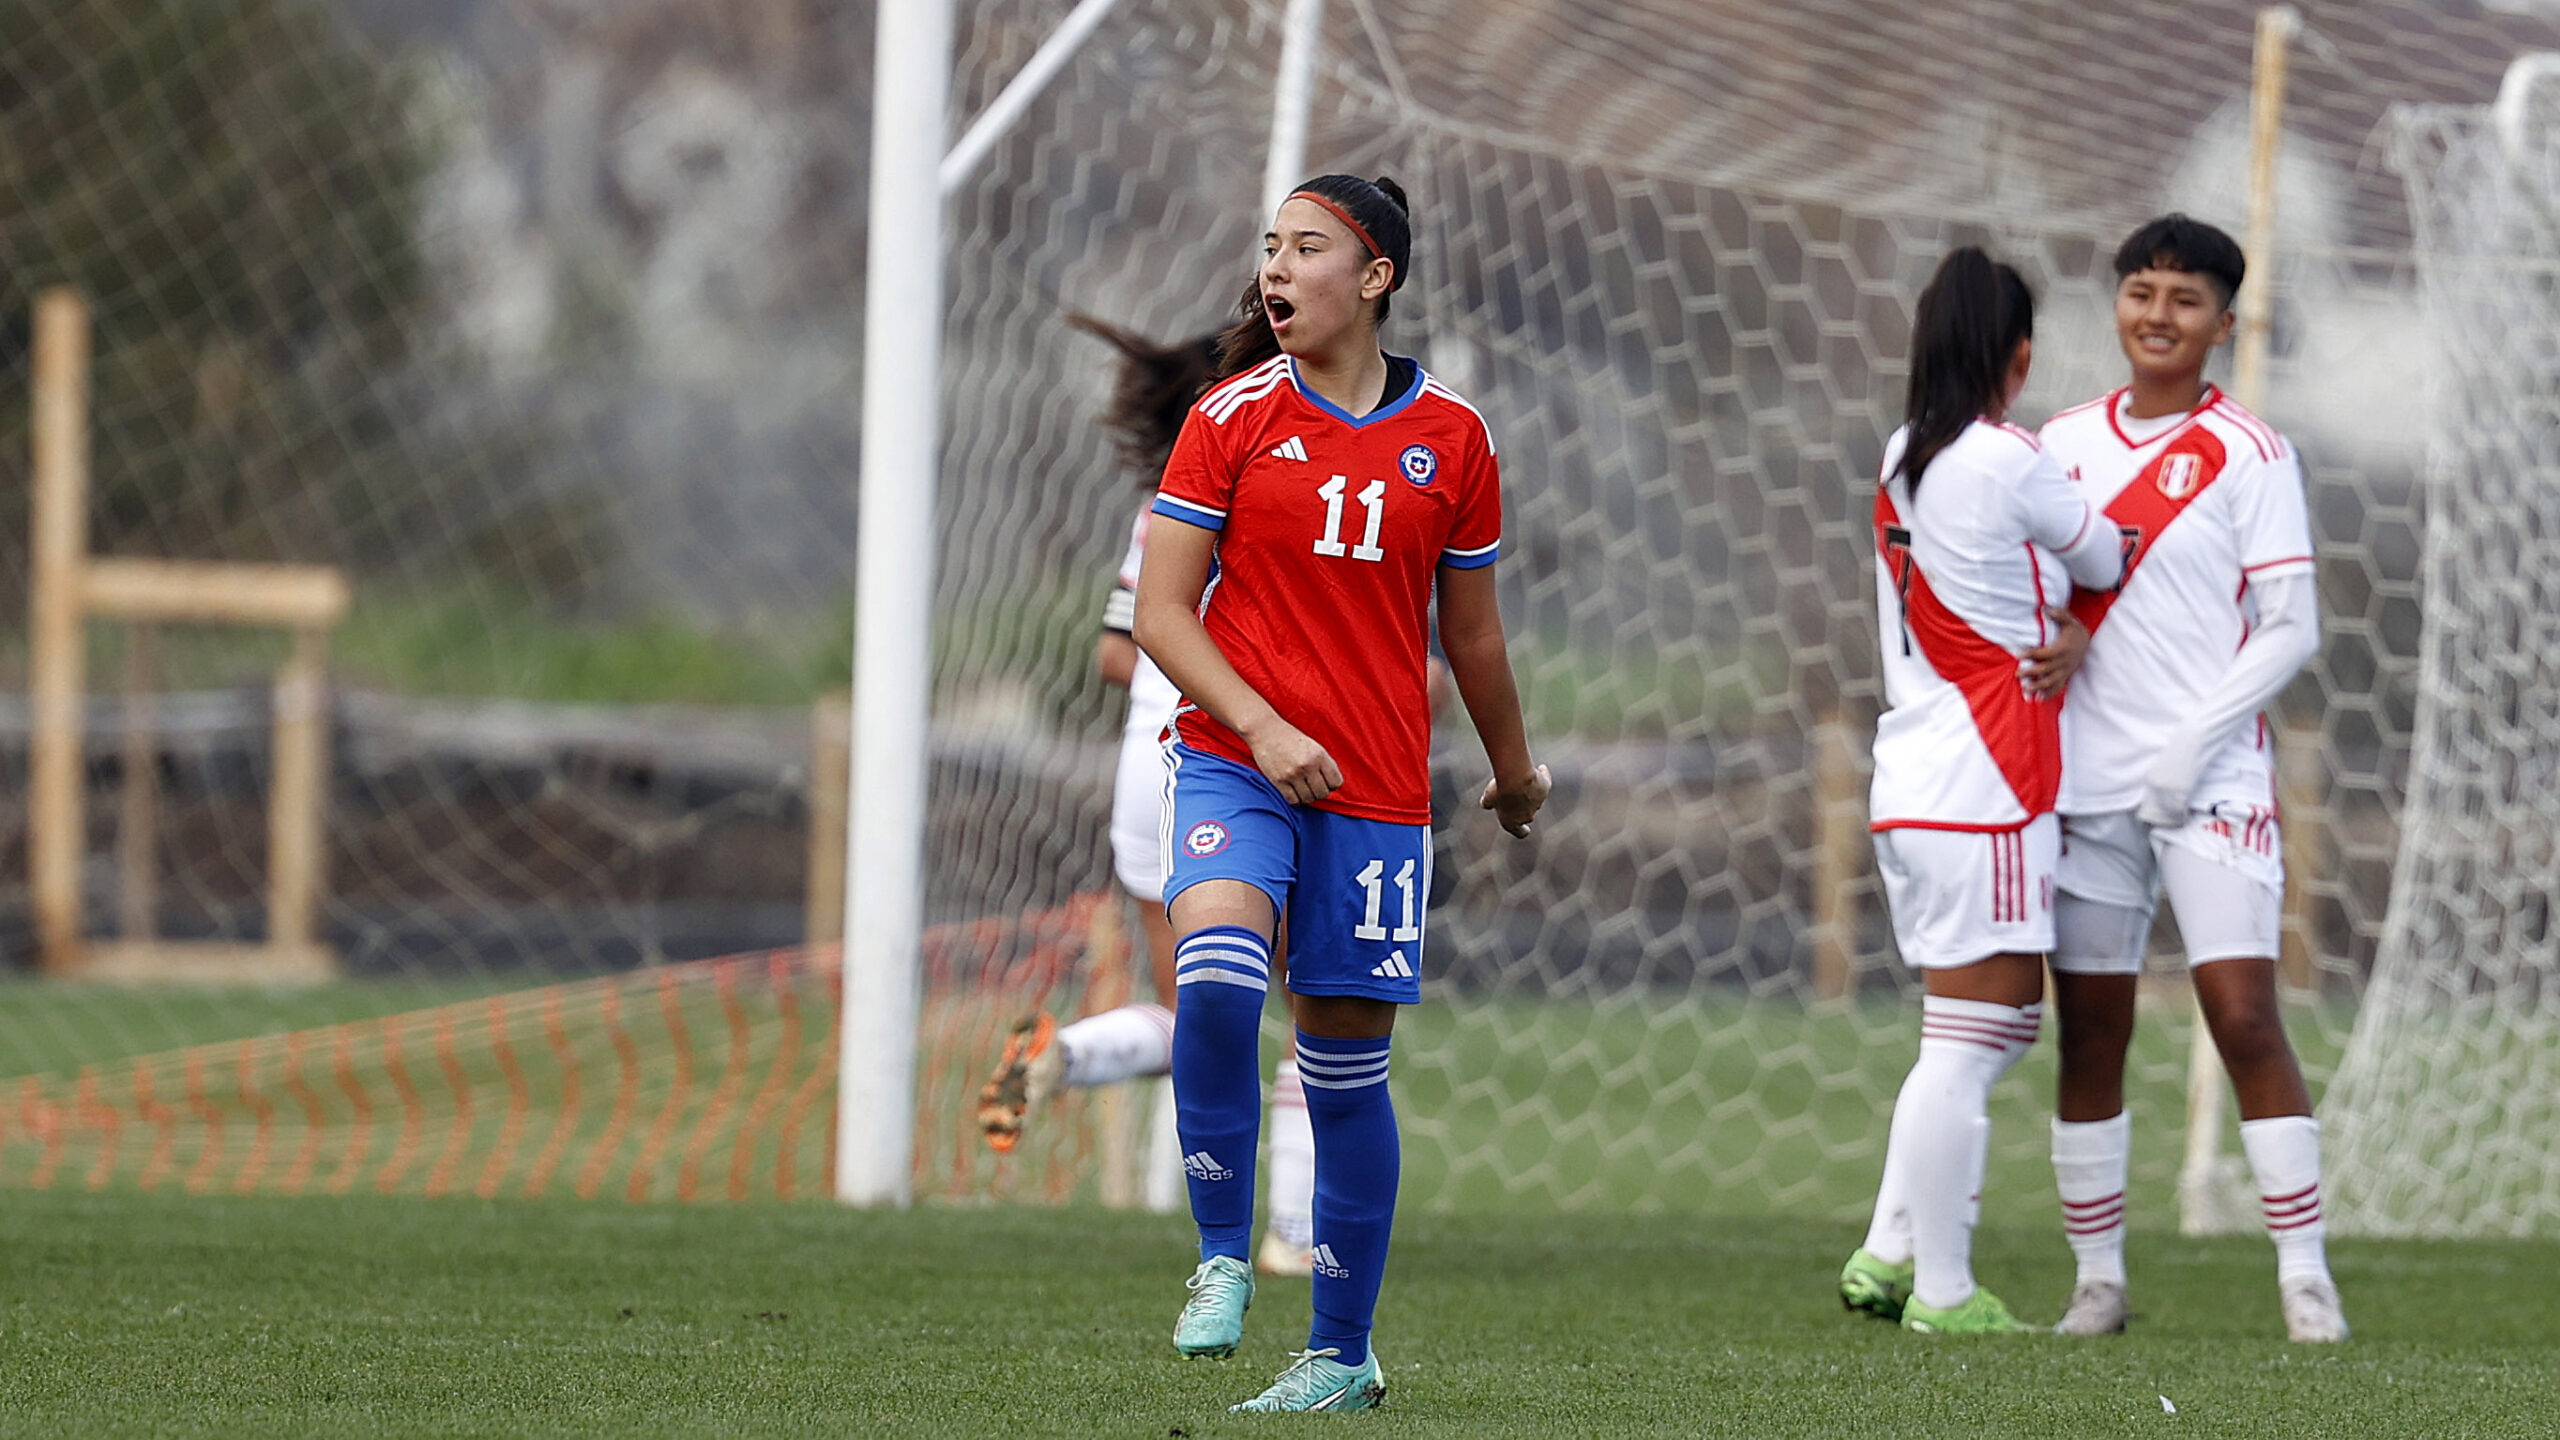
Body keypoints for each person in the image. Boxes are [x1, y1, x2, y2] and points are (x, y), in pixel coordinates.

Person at [1135, 172, 1549, 1411]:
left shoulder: (1456, 438)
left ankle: (1339, 1354)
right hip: (1234, 754)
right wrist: (1259, 725)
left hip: (1373, 793)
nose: (1275, 269)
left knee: (1341, 1074)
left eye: (1304, 248)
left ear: (1373, 279)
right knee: (1211, 979)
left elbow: (1471, 636)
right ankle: (1218, 1260)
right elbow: (1160, 611)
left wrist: (1515, 772)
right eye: (1268, 247)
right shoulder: (1229, 418)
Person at [2034, 215, 2345, 1343]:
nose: (2157, 316)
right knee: (2091, 1030)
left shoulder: (2251, 452)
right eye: (2139, 292)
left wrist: (2187, 745)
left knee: (2243, 1015)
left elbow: (2289, 626)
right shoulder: (2058, 444)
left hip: (2211, 784)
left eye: (2182, 299)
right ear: (2115, 302)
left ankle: (2305, 1280)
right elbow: (2030, 588)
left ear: (2223, 322)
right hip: (2083, 789)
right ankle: (2097, 1283)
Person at [974, 317, 1319, 1277]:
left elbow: (1116, 651)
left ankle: (1065, 1054)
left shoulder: (1176, 489)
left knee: (1197, 1013)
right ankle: (1294, 1233)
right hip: (1237, 771)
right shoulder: (1308, 489)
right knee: (1315, 1012)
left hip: (1146, 778)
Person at [1836, 246, 2123, 1335]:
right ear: (2019, 354)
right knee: (1970, 1039)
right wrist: (2070, 617)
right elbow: (2100, 552)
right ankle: (1943, 1294)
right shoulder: (2007, 458)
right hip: (1988, 781)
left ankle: (1888, 1247)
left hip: (1913, 777)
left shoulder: (1904, 449)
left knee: (1977, 1033)